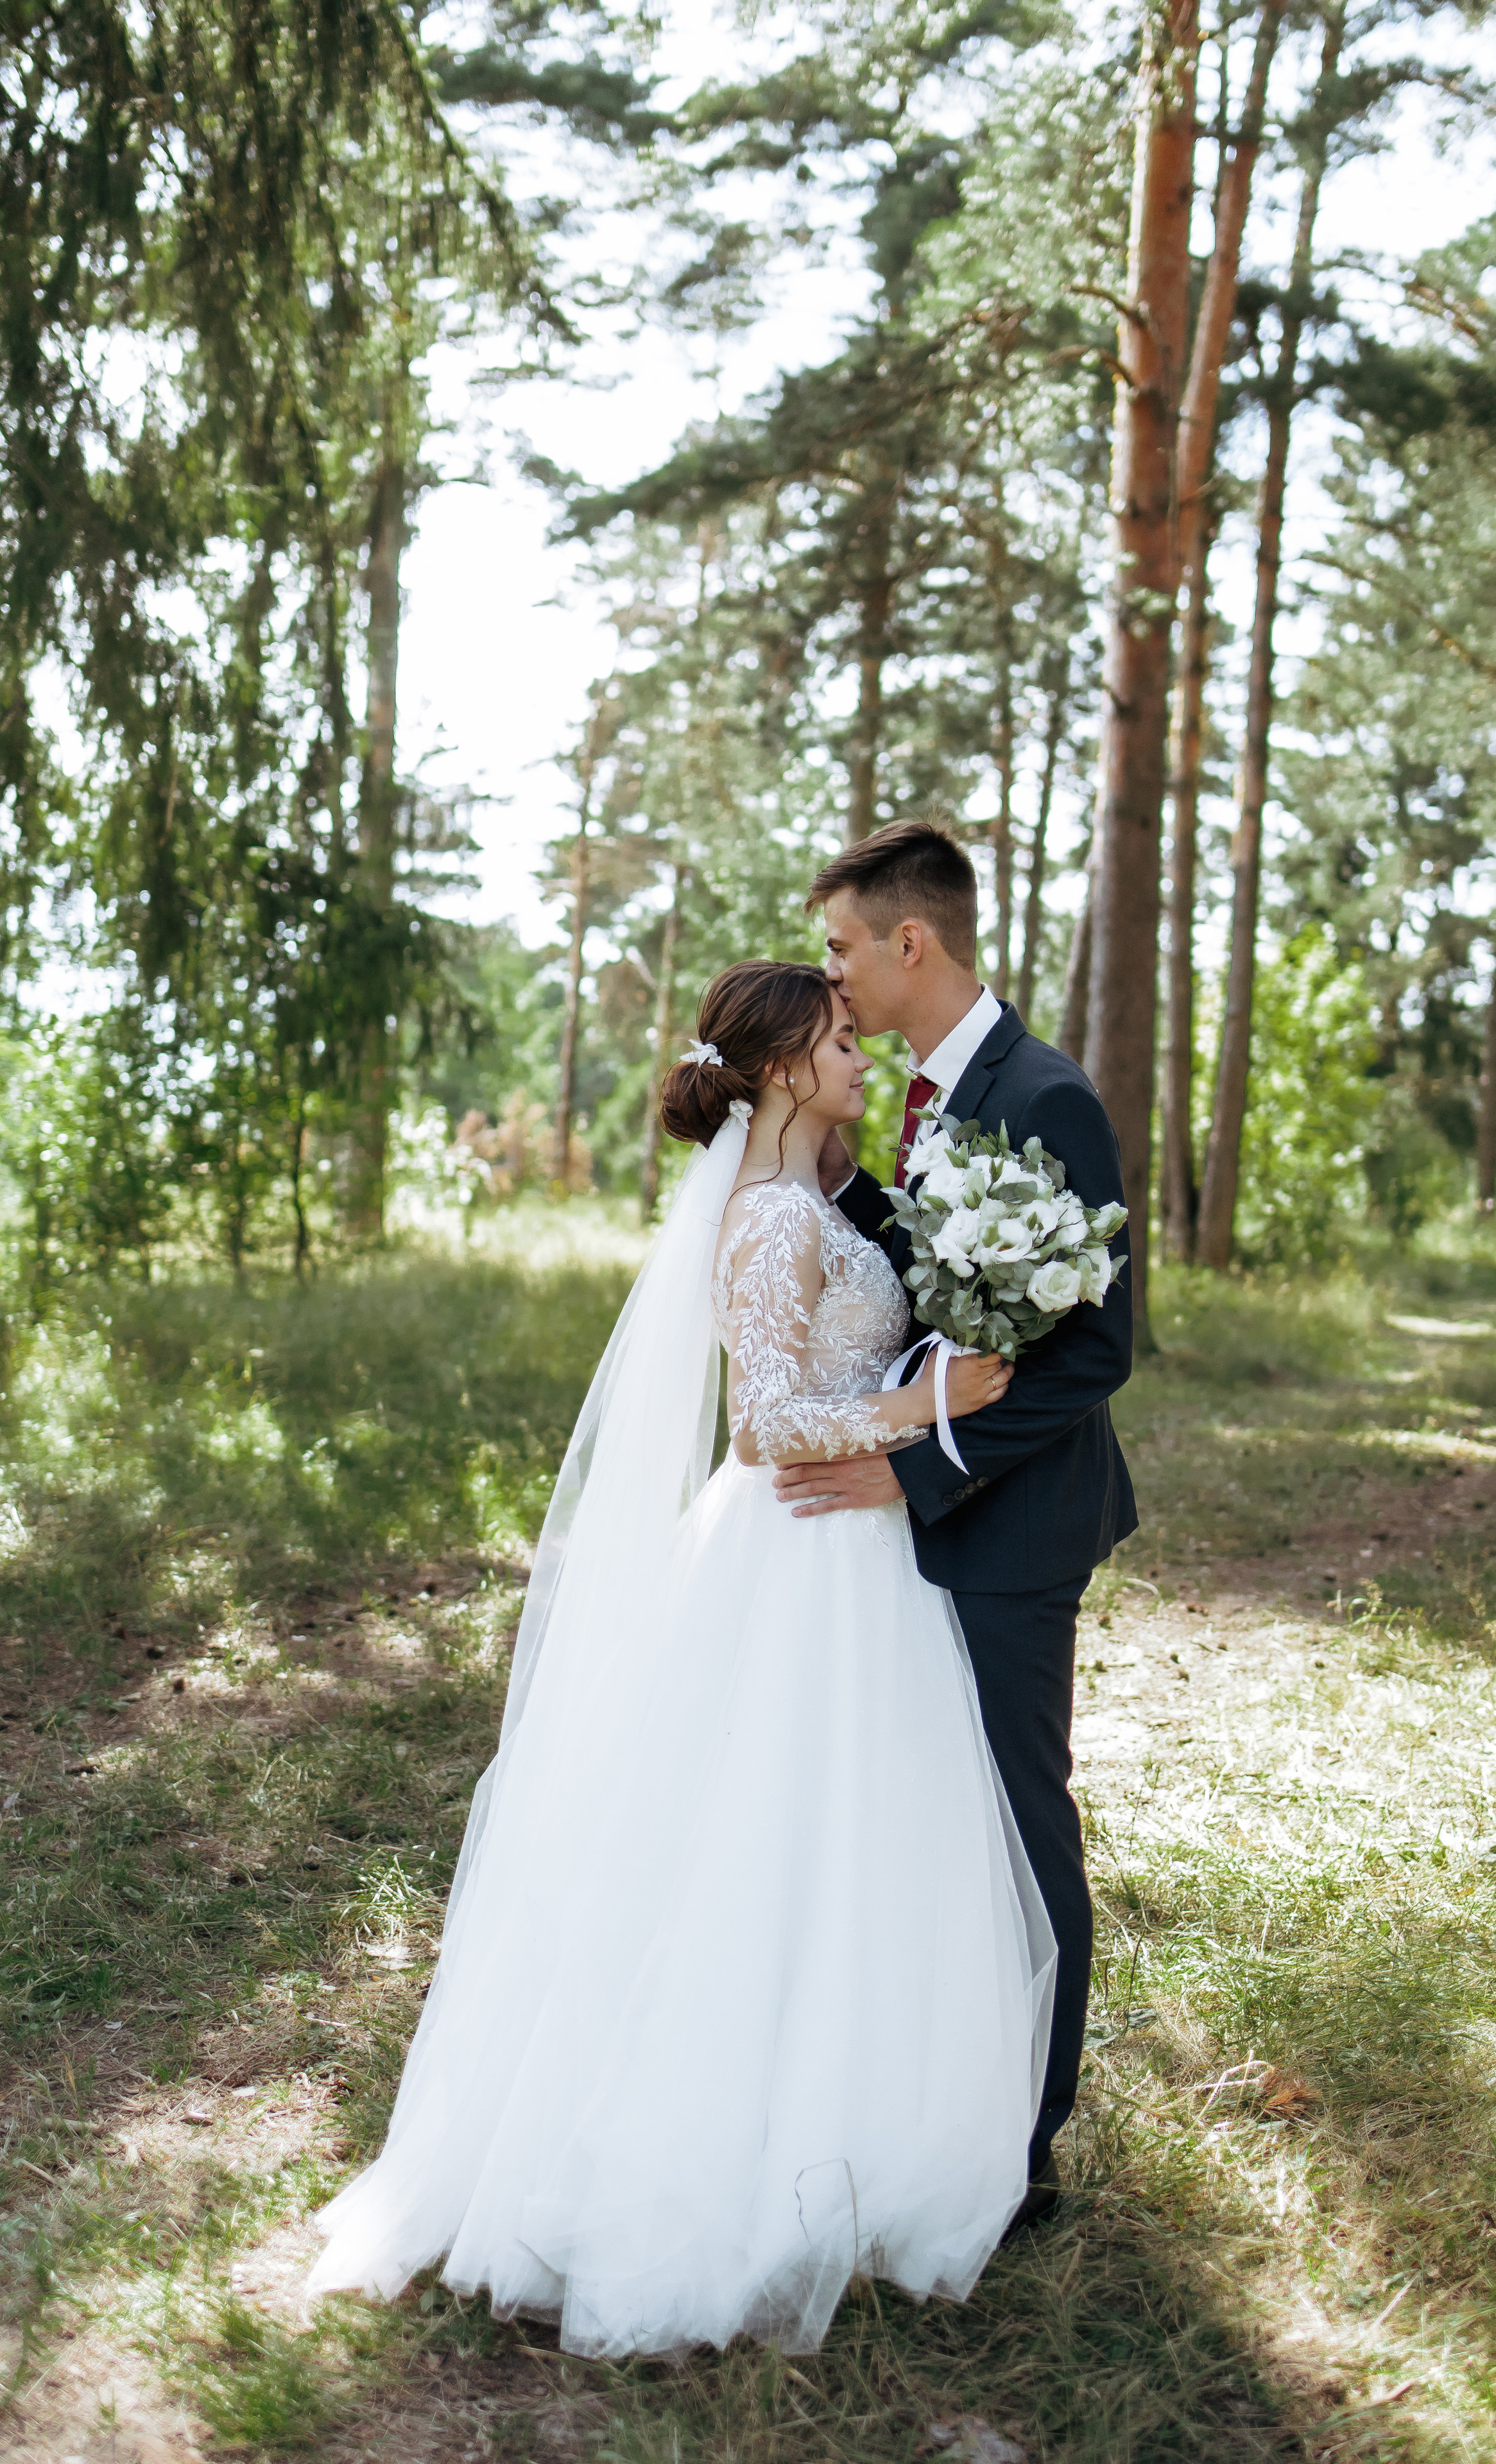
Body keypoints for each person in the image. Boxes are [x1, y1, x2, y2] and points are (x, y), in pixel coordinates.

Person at [306, 960, 1056, 2358]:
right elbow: (767, 1421)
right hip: (793, 1552)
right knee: (761, 1843)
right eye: (836, 1041)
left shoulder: (816, 1201)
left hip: (851, 1561)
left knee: (846, 1845)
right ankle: (731, 2139)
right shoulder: (771, 1220)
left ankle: (850, 2113)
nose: (853, 1056)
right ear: (778, 1069)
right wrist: (920, 1402)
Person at [777, 820, 1137, 2230]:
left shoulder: (1043, 1095)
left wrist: (920, 1469)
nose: (836, 977)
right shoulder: (932, 1094)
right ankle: (938, 2091)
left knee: (1014, 1822)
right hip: (923, 1519)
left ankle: (1024, 2150)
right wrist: (819, 1178)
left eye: (843, 947)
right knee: (929, 1821)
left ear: (907, 942)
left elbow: (1096, 1354)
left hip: (1013, 1527)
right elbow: (938, 1276)